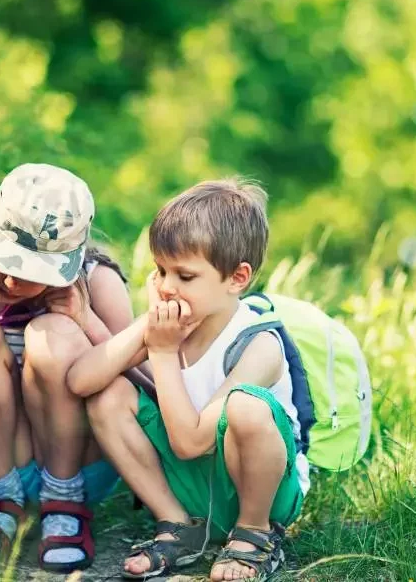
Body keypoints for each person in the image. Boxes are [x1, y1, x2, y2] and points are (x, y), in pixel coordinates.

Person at [69, 178, 310, 581]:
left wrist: (161, 352)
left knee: (246, 407)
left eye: (184, 275)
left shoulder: (259, 344)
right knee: (107, 395)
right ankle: (178, 525)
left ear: (237, 278)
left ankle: (254, 536)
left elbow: (191, 443)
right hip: (194, 489)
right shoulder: (169, 321)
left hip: (260, 491)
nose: (165, 287)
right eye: (160, 271)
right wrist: (145, 329)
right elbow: (80, 381)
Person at [0, 163, 136, 573]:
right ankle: (0, 502)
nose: (11, 282)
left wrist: (87, 322)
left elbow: (144, 381)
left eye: (32, 273)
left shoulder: (97, 282)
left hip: (80, 465)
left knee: (53, 334)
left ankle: (65, 505)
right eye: (7, 262)